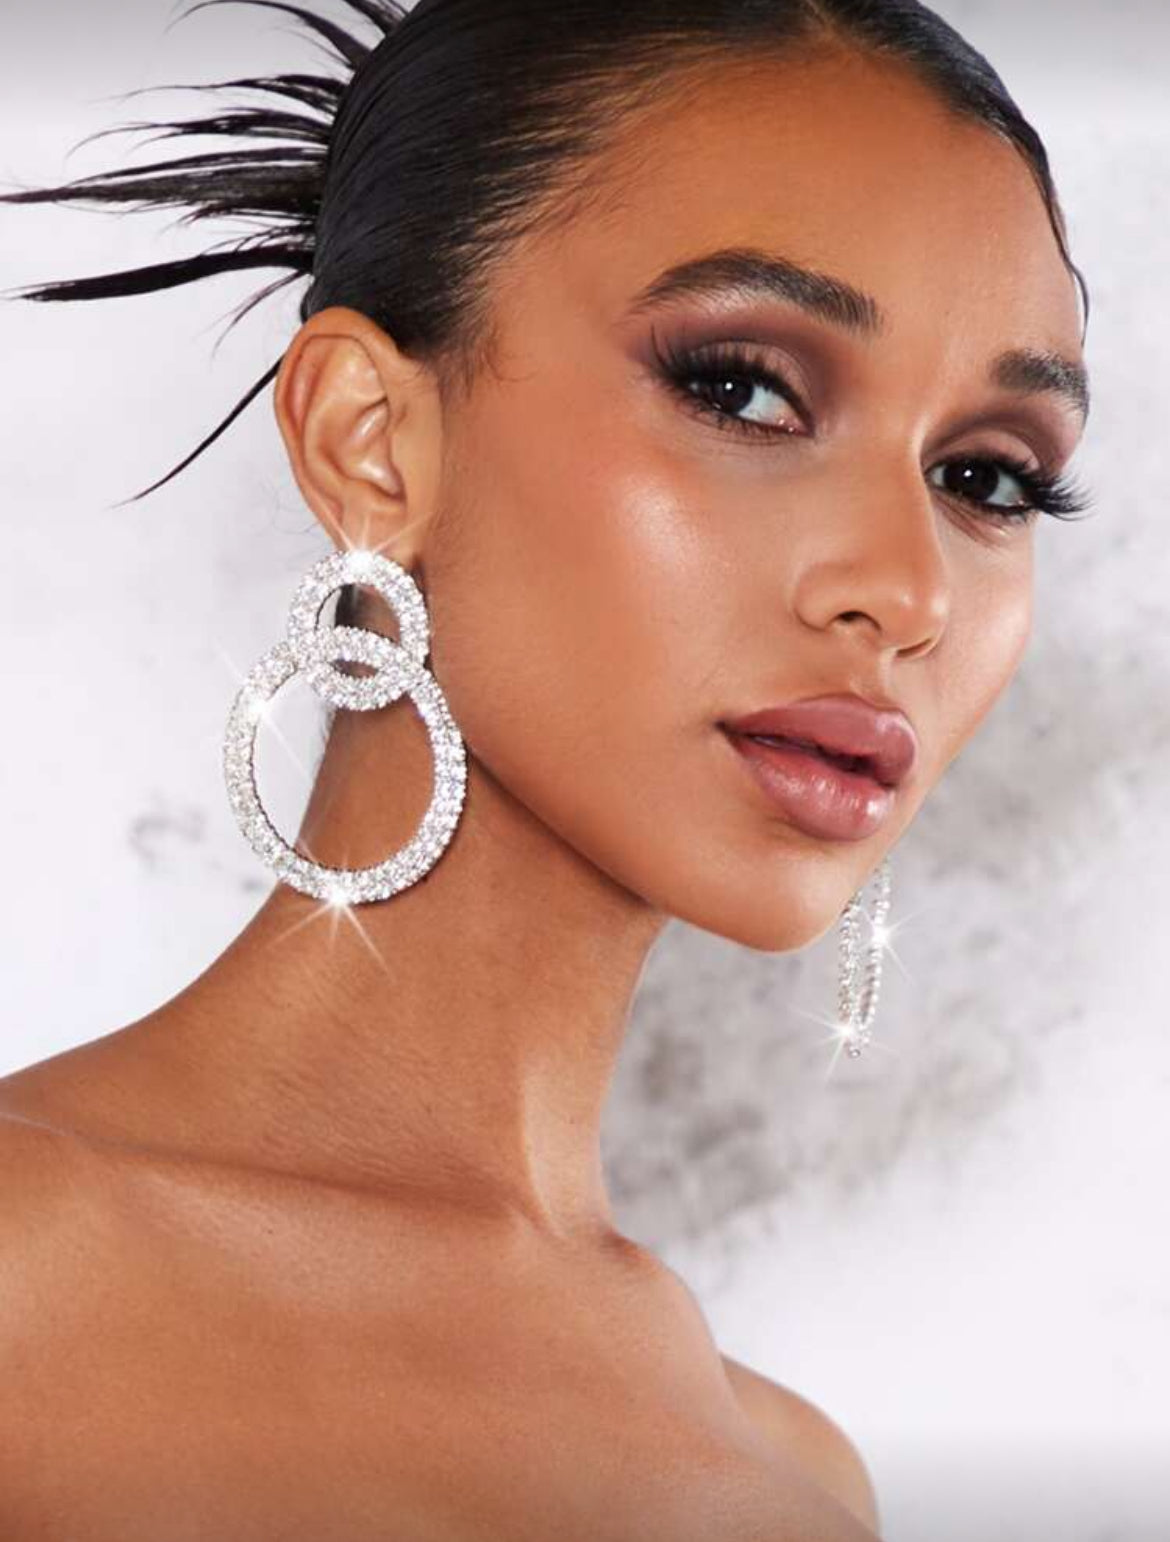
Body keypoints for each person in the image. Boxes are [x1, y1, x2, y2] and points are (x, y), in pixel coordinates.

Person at [0, 0, 1094, 1536]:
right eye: (742, 387)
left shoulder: (800, 1477)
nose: (906, 592)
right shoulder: (29, 1285)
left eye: (986, 477)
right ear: (371, 441)